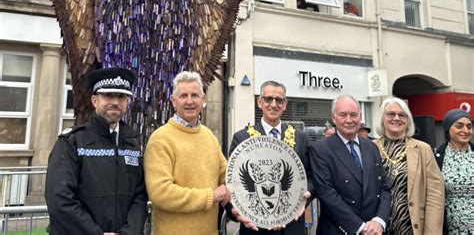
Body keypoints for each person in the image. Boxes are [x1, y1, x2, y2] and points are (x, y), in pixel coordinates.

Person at [45, 67, 147, 235]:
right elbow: (60, 199)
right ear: (94, 100)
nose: (115, 102)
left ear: (127, 102)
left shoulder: (133, 143)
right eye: (108, 95)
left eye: (121, 96)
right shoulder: (72, 142)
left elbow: (140, 196)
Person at [144, 71, 230, 234]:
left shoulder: (209, 136)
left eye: (195, 95)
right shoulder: (161, 139)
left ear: (203, 100)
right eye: (183, 95)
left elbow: (227, 176)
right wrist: (209, 196)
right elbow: (161, 193)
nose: (190, 101)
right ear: (173, 101)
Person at [228, 80, 315, 234]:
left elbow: (312, 176)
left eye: (279, 100)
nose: (273, 105)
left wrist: (306, 194)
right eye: (268, 99)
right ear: (260, 102)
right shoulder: (242, 138)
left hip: (292, 226)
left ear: (285, 104)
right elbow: (231, 181)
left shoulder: (300, 138)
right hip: (255, 228)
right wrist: (234, 212)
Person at [309, 94, 391, 235]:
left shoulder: (371, 147)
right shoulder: (320, 149)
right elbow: (327, 193)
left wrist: (379, 221)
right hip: (339, 230)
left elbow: (384, 187)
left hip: (374, 230)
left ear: (360, 117)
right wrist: (360, 227)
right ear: (334, 118)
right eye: (343, 115)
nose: (349, 120)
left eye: (353, 115)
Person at [374, 97, 444, 235]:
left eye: (402, 115)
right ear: (382, 118)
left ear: (408, 120)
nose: (396, 118)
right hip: (377, 228)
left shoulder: (423, 149)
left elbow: (435, 195)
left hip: (411, 227)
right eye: (391, 114)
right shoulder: (369, 148)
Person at [435, 108, 473, 234]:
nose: (465, 131)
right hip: (451, 228)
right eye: (459, 126)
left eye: (469, 126)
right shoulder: (437, 157)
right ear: (448, 129)